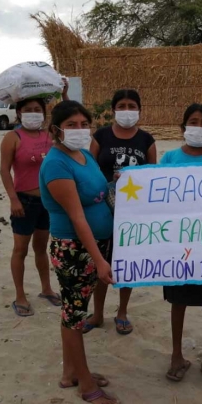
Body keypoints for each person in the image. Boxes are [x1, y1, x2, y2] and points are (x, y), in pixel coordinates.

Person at [39, 100, 120, 404]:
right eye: (71, 125)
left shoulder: (84, 155)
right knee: (75, 315)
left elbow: (99, 191)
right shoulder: (56, 163)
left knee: (73, 310)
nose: (79, 129)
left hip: (94, 245)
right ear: (56, 130)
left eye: (83, 123)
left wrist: (119, 181)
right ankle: (85, 384)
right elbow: (77, 217)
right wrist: (99, 260)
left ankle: (70, 371)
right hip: (75, 249)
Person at [160, 104, 202, 382]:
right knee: (177, 300)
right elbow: (154, 193)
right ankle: (176, 354)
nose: (198, 127)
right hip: (178, 244)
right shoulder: (169, 159)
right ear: (182, 128)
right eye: (192, 121)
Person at [85, 89, 157, 335]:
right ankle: (97, 313)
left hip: (132, 213)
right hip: (102, 209)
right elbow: (89, 168)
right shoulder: (101, 136)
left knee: (127, 261)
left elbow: (153, 178)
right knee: (101, 262)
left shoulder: (147, 140)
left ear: (139, 110)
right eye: (122, 106)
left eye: (132, 106)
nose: (127, 110)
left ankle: (123, 311)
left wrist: (132, 179)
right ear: (114, 109)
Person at [0, 97, 61, 317]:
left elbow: (68, 115)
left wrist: (64, 93)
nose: (33, 113)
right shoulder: (12, 138)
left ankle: (46, 289)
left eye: (37, 110)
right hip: (24, 201)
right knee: (20, 249)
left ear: (45, 113)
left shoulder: (50, 135)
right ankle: (20, 295)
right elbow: (5, 170)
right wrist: (13, 199)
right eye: (28, 110)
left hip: (47, 201)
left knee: (41, 248)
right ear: (19, 113)